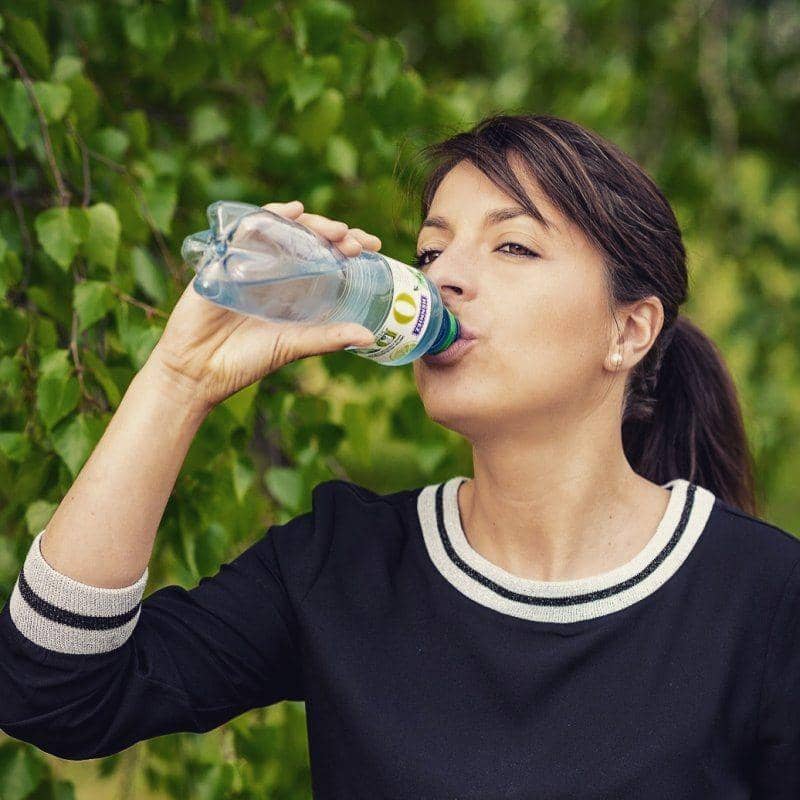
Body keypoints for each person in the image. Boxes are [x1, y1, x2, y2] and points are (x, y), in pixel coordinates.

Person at [1, 113, 798, 799]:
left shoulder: (766, 599)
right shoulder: (340, 565)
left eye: (513, 246)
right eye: (429, 252)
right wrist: (178, 382)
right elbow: (55, 693)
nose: (445, 276)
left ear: (630, 330)